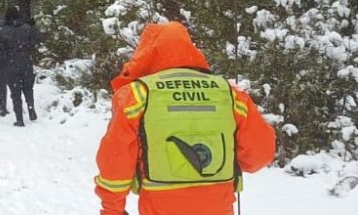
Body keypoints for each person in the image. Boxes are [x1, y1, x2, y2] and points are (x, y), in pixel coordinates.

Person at [93, 22, 276, 215]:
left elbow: (115, 162)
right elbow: (260, 154)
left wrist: (112, 209)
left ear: (147, 52)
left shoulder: (136, 96)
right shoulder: (228, 94)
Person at [1, 6, 39, 127]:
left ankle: (19, 118)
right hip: (26, 61)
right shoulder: (27, 28)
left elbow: (0, 48)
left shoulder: (3, 30)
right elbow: (34, 42)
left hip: (11, 63)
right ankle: (31, 108)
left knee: (15, 92)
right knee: (28, 87)